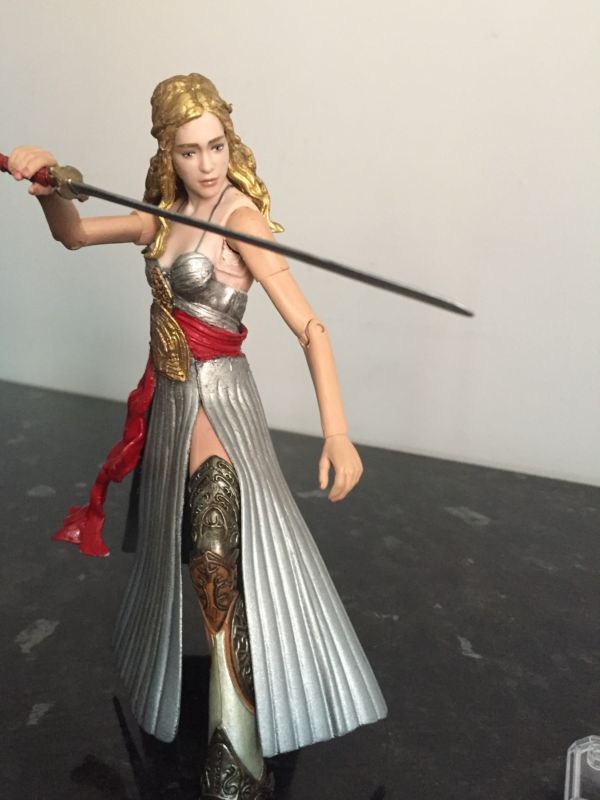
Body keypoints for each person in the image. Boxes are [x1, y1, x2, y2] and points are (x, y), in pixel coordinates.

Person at [8, 73, 387, 799]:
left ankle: (237, 740)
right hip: (170, 403)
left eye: (217, 146)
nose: (208, 164)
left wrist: (337, 433)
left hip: (220, 398)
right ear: (167, 153)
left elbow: (311, 327)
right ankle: (199, 690)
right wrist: (51, 182)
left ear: (230, 142)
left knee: (217, 550)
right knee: (180, 551)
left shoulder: (241, 220)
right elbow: (75, 234)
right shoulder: (160, 218)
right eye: (190, 151)